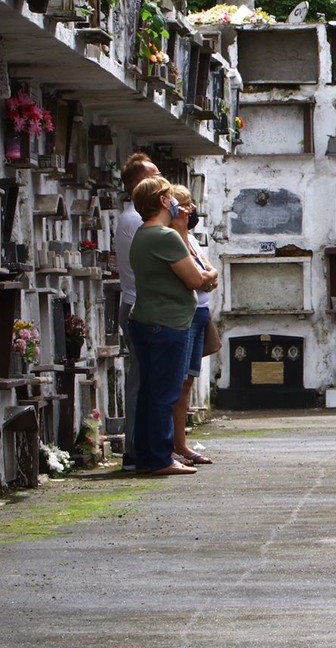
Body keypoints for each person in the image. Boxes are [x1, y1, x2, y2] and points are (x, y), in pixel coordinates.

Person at [128, 176, 218, 475]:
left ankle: (147, 457)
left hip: (146, 320)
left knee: (150, 394)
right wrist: (206, 276)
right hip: (168, 323)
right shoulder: (164, 236)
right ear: (165, 201)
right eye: (171, 196)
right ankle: (160, 459)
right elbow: (196, 279)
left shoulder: (142, 234)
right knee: (165, 393)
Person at [115, 152, 160, 471]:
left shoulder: (137, 218)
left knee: (147, 380)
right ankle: (135, 449)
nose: (162, 181)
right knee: (143, 381)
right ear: (139, 184)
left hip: (139, 301)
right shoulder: (136, 220)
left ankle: (145, 446)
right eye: (154, 175)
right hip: (139, 304)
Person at [168, 184, 216, 466]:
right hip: (185, 314)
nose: (192, 209)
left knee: (186, 383)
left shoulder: (192, 240)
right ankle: (171, 446)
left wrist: (208, 275)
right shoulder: (172, 240)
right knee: (176, 382)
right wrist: (206, 276)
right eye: (186, 204)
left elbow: (212, 272)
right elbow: (197, 278)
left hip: (200, 313)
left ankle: (181, 444)